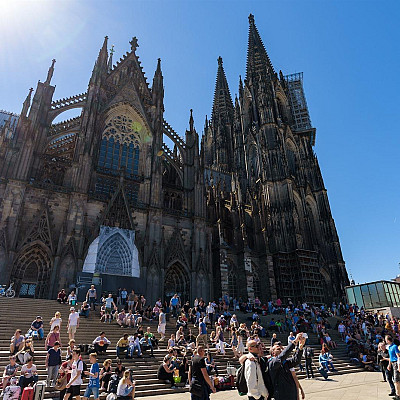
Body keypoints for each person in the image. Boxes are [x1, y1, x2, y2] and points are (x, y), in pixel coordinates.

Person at [268, 332, 306, 400]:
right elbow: (282, 356)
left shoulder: (285, 362)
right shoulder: (272, 363)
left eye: (281, 349)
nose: (281, 350)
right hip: (282, 395)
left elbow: (295, 360)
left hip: (291, 394)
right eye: (278, 349)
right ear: (273, 353)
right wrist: (294, 341)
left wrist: (300, 347)